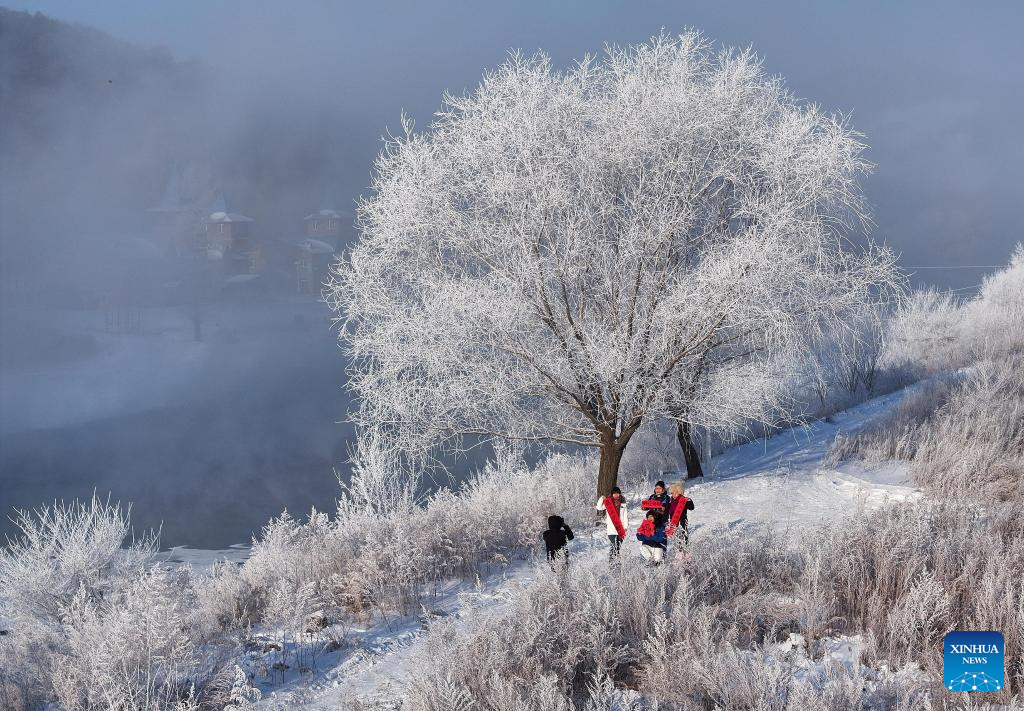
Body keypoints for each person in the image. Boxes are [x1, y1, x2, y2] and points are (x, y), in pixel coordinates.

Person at [595, 487, 628, 560]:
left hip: (620, 528)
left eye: (617, 493)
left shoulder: (623, 504)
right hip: (612, 529)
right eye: (614, 493)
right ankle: (612, 561)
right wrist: (602, 498)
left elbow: (625, 516)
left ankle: (617, 562)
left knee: (618, 547)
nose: (616, 495)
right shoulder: (608, 503)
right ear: (612, 494)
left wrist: (625, 527)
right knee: (614, 545)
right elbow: (599, 507)